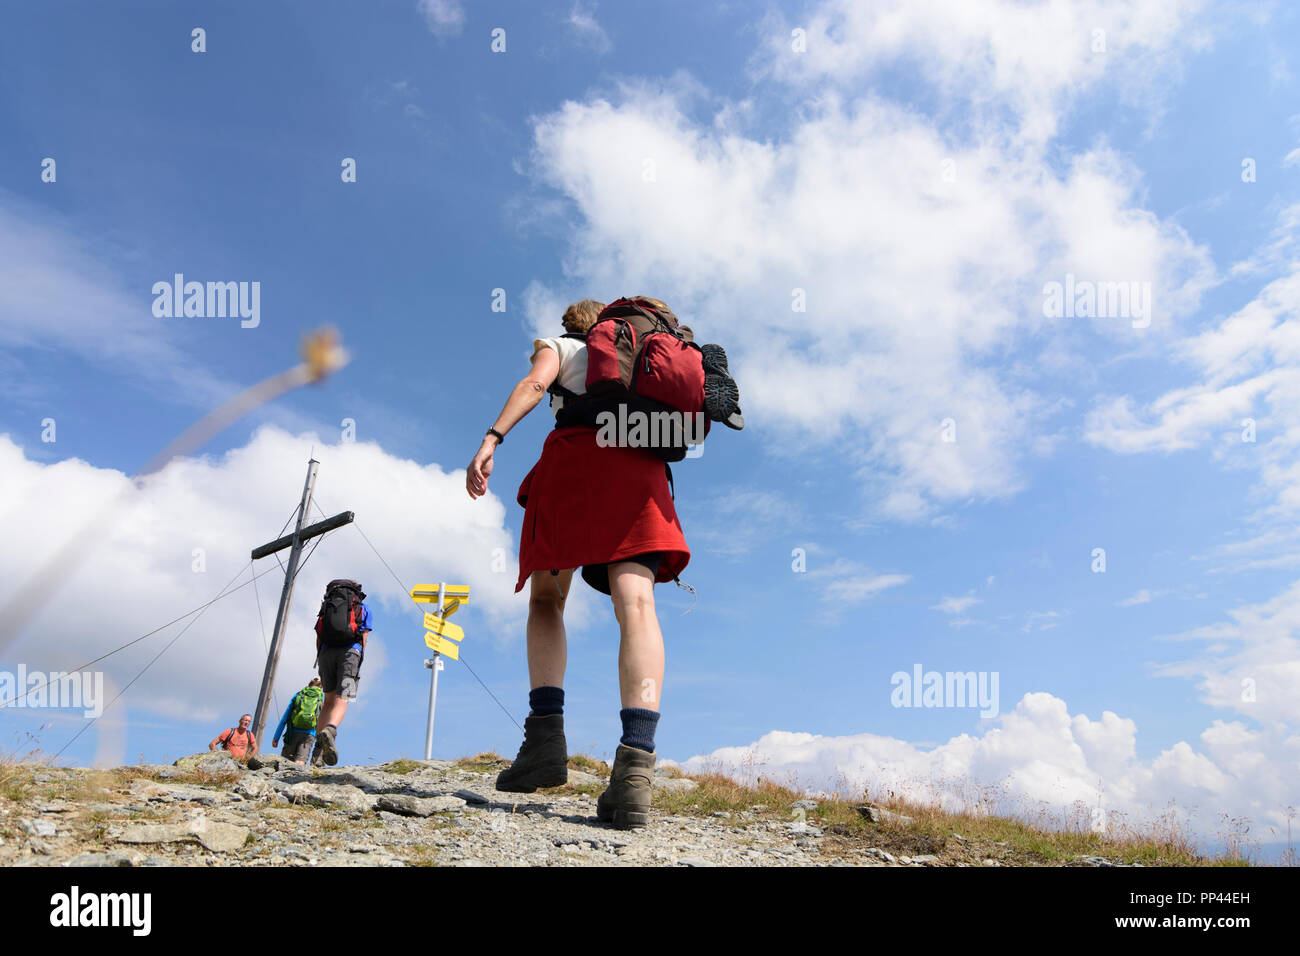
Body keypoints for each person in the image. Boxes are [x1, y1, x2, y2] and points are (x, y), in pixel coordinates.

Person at [466, 297, 691, 829]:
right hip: (638, 468)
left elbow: (534, 386)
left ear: (573, 325)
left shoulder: (563, 347)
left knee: (547, 599)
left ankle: (545, 739)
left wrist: (491, 438)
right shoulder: (642, 363)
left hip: (574, 466)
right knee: (636, 604)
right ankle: (636, 767)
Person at [310, 579, 373, 767]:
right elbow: (364, 636)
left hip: (326, 654)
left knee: (327, 701)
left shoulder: (326, 607)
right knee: (343, 698)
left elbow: (319, 635)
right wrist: (358, 656)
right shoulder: (362, 607)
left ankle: (317, 753)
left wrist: (321, 655)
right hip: (350, 653)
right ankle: (330, 731)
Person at [272, 677, 324, 765]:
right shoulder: (321, 698)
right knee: (300, 761)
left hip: (292, 733)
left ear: (310, 683)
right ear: (321, 686)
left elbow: (285, 718)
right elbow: (322, 719)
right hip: (309, 734)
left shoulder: (298, 695)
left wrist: (276, 737)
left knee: (285, 762)